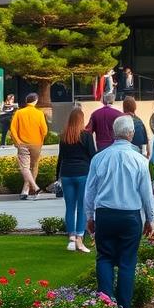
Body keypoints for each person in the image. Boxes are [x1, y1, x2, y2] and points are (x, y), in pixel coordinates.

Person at [84, 115, 154, 308]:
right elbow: (146, 194)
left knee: (104, 258)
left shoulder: (100, 158)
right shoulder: (140, 160)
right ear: (131, 134)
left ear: (114, 133)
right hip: (129, 215)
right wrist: (150, 219)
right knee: (127, 262)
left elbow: (90, 191)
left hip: (105, 213)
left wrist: (90, 216)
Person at [56, 107, 97, 252]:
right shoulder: (86, 136)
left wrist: (57, 177)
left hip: (66, 174)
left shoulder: (63, 136)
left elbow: (60, 158)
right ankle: (80, 238)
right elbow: (93, 155)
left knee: (70, 207)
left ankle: (71, 238)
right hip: (83, 173)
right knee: (82, 208)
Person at [9, 92, 48, 199]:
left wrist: (17, 140)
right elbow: (44, 130)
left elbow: (12, 128)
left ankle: (27, 189)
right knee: (34, 166)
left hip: (22, 144)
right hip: (36, 144)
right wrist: (40, 140)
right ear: (35, 101)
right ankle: (32, 188)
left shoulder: (19, 113)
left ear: (27, 101)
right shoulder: (39, 113)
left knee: (25, 167)